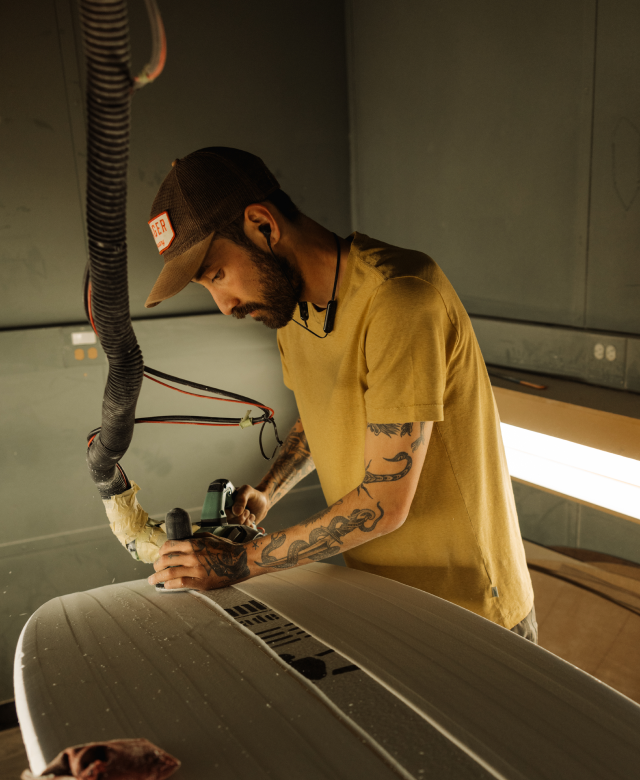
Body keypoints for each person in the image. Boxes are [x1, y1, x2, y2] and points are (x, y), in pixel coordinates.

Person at [145, 147, 536, 641]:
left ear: (262, 225)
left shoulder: (399, 298)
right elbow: (321, 415)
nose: (223, 305)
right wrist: (268, 489)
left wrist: (240, 562)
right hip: (386, 601)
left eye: (217, 275)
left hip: (474, 610)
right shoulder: (292, 312)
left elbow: (384, 504)